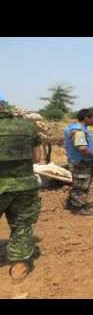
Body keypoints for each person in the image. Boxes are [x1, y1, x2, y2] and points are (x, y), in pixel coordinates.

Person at [0, 93, 42, 281]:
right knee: (22, 224)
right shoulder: (27, 127)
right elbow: (37, 158)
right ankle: (19, 264)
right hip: (24, 185)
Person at [64, 108, 93, 216]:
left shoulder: (76, 128)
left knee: (78, 183)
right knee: (82, 185)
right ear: (86, 118)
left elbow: (82, 147)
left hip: (78, 159)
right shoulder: (79, 130)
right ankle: (78, 208)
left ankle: (72, 203)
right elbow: (82, 149)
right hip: (81, 162)